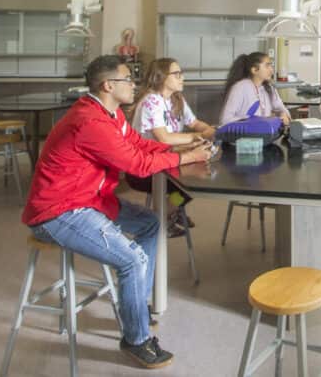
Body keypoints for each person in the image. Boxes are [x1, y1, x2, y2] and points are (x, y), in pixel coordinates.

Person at [22, 55, 213, 369]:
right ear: (108, 85)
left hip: (90, 200)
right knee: (132, 258)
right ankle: (136, 340)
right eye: (128, 79)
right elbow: (135, 163)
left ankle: (136, 306)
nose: (134, 84)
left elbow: (138, 143)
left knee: (151, 223)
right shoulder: (90, 121)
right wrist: (184, 157)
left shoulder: (111, 114)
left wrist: (176, 150)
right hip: (59, 211)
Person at [129, 58, 216, 236]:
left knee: (195, 182)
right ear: (161, 77)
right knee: (187, 187)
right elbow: (164, 138)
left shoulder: (176, 99)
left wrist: (207, 130)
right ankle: (161, 218)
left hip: (168, 160)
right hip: (146, 167)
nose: (182, 78)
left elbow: (194, 122)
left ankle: (172, 210)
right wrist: (197, 137)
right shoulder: (151, 101)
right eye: (176, 74)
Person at [219, 52, 292, 127]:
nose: (271, 70)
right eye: (267, 66)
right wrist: (252, 120)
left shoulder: (269, 88)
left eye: (271, 65)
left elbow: (282, 108)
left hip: (265, 134)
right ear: (254, 70)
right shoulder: (240, 87)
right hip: (245, 136)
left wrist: (283, 114)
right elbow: (225, 120)